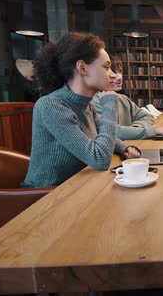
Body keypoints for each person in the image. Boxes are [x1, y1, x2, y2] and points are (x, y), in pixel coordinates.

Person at [21, 32, 137, 188]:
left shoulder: (87, 106)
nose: (113, 75)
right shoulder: (50, 105)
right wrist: (110, 102)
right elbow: (100, 159)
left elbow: (100, 134)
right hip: (44, 197)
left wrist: (125, 148)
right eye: (107, 67)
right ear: (82, 68)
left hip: (74, 187)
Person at [91, 56, 163, 140]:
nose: (119, 77)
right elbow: (113, 132)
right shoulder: (94, 102)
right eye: (113, 72)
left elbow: (148, 117)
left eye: (120, 71)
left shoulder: (123, 99)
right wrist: (157, 131)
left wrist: (132, 131)